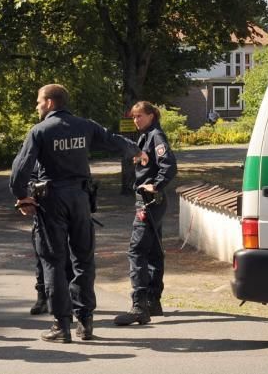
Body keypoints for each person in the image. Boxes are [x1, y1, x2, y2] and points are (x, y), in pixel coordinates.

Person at [10, 84, 147, 343]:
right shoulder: (84, 125)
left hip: (52, 201)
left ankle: (61, 326)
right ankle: (85, 323)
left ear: (50, 102)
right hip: (81, 200)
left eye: (39, 101)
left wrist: (21, 197)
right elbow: (113, 140)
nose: (36, 106)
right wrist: (138, 152)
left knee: (53, 260)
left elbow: (20, 170)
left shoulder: (39, 131)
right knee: (83, 260)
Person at [114, 101, 178, 326]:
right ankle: (153, 301)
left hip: (150, 202)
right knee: (152, 251)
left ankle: (139, 305)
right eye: (133, 117)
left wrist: (157, 185)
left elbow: (168, 164)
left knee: (136, 251)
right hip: (150, 202)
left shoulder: (155, 136)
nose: (135, 120)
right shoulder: (146, 136)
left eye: (140, 116)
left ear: (151, 115)